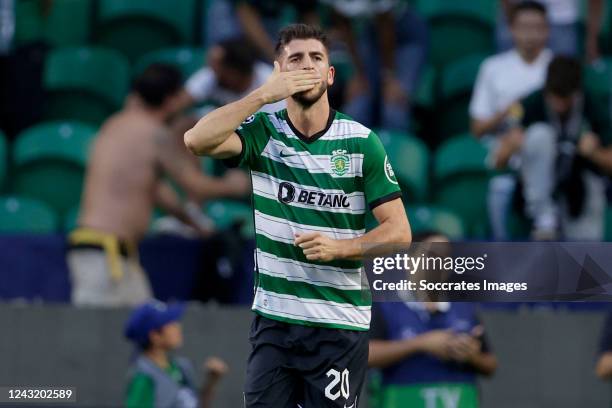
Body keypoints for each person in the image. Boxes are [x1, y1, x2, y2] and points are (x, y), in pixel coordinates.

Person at [184, 23, 411, 407]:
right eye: (296, 59)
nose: (307, 67)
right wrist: (261, 96)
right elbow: (196, 140)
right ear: (280, 70)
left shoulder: (360, 142)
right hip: (275, 320)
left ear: (330, 74)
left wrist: (340, 248)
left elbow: (400, 232)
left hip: (338, 324)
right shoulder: (264, 133)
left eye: (316, 59)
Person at [67, 64, 250, 307]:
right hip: (104, 256)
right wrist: (236, 185)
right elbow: (195, 186)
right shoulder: (155, 135)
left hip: (108, 255)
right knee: (101, 341)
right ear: (172, 99)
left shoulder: (114, 125)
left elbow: (152, 190)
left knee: (150, 331)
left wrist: (195, 225)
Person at [369, 231, 498, 408]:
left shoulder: (464, 309)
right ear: (410, 261)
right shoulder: (385, 306)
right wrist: (421, 344)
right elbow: (366, 355)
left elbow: (490, 364)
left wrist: (471, 355)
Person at [501, 56, 612, 239]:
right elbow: (498, 161)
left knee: (585, 254)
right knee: (539, 135)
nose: (559, 105)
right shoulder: (531, 103)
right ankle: (544, 218)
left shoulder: (593, 105)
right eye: (555, 97)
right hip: (537, 186)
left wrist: (595, 154)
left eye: (565, 98)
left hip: (580, 187)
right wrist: (512, 145)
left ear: (577, 92)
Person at [470, 0, 553, 240]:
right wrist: (506, 113)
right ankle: (501, 245)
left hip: (545, 153)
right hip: (503, 150)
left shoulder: (556, 68)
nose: (531, 34)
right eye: (524, 27)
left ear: (547, 30)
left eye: (537, 27)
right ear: (512, 29)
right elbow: (477, 128)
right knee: (501, 186)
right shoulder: (493, 67)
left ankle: (548, 229)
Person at [323, 0, 428, 131]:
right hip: (370, 34)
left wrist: (390, 78)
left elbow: (386, 28)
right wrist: (357, 74)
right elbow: (345, 28)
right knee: (356, 106)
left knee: (394, 110)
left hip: (404, 37)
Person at [124, 300, 229, 408]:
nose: (178, 326)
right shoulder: (143, 377)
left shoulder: (180, 367)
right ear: (155, 336)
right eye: (169, 323)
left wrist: (211, 381)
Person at [175, 37, 286, 115]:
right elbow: (176, 104)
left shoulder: (272, 86)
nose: (212, 73)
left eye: (219, 70)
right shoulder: (212, 74)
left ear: (236, 72)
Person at [497, 0, 604, 61]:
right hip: (518, 13)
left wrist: (592, 39)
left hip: (562, 19)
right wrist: (511, 19)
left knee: (560, 79)